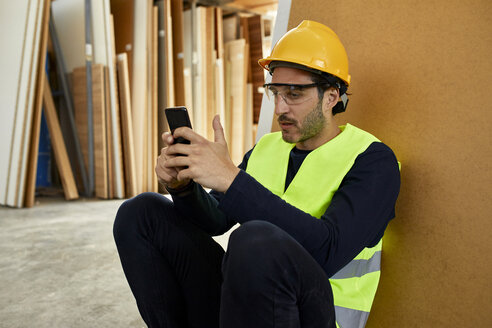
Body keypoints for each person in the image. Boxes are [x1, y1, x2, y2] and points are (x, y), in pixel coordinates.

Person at [113, 20, 400, 328]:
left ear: (331, 97)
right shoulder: (268, 147)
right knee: (141, 212)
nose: (279, 108)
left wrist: (231, 178)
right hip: (250, 304)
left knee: (254, 240)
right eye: (274, 92)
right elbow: (216, 220)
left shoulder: (373, 161)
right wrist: (183, 188)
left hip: (317, 314)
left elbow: (328, 252)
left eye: (294, 94)